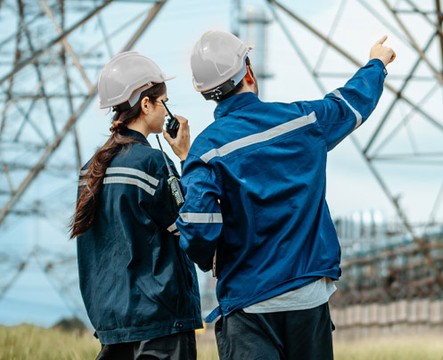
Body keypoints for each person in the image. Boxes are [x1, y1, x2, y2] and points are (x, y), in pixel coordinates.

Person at [171, 30, 395, 360]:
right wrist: (376, 62)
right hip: (309, 300)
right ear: (247, 70)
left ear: (206, 93)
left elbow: (199, 228)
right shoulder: (303, 121)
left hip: (248, 308)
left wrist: (184, 159)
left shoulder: (206, 151)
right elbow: (351, 102)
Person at [70, 51, 202, 360]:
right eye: (163, 101)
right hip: (160, 322)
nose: (167, 108)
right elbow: (189, 225)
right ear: (146, 104)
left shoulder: (91, 168)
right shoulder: (153, 162)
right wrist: (186, 158)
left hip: (112, 325)